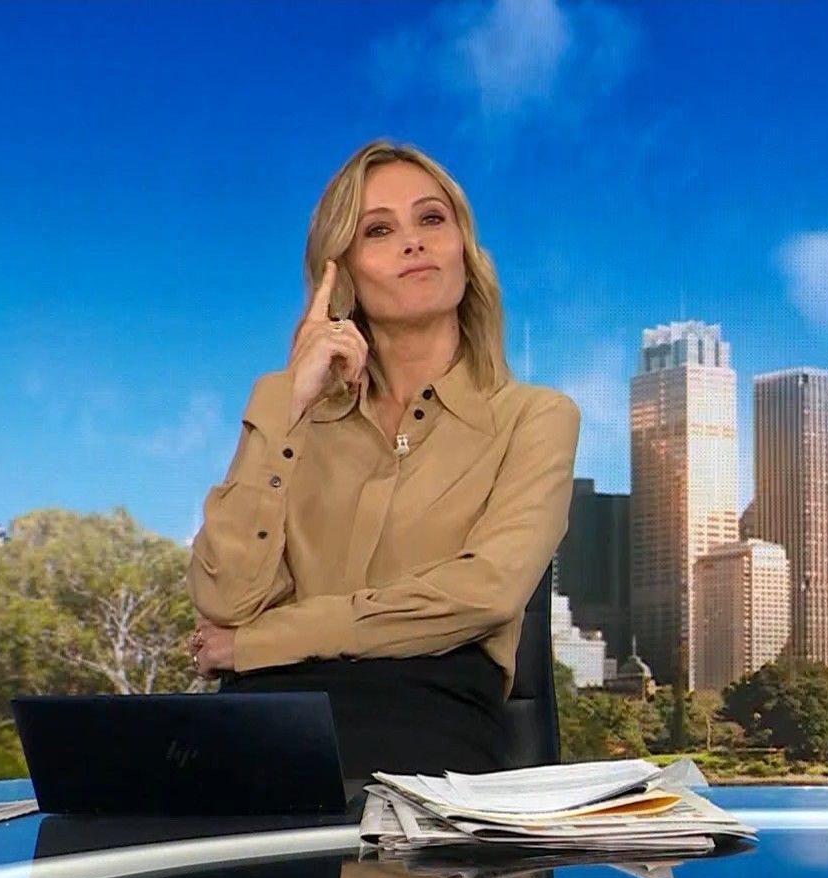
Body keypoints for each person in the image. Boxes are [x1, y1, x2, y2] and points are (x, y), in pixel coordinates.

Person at [187, 139, 580, 778]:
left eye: (432, 219)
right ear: (340, 276)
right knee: (79, 834)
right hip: (263, 732)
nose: (414, 242)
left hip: (427, 739)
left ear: (463, 250)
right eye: (379, 230)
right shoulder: (296, 422)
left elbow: (483, 595)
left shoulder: (534, 418)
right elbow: (223, 599)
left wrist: (263, 641)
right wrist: (289, 399)